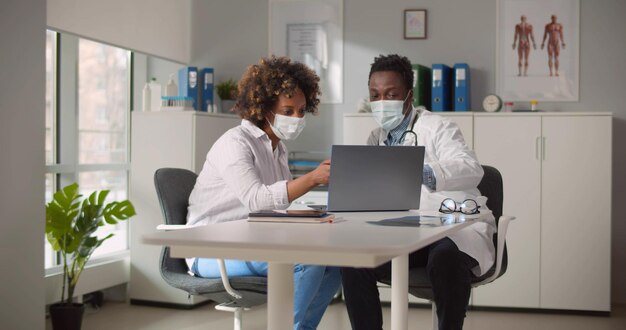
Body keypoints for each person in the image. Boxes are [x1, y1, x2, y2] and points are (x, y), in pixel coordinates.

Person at [341, 54, 496, 330]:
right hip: (401, 233)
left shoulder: (437, 127)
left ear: (409, 96)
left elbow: (470, 168)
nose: (382, 103)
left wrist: (420, 171)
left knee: (445, 257)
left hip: (449, 228)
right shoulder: (376, 139)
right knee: (354, 262)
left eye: (391, 94)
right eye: (375, 95)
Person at [186, 56, 341, 330]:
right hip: (212, 250)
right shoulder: (234, 143)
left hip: (253, 244)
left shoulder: (278, 149)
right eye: (288, 110)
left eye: (302, 111)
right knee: (307, 261)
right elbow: (258, 200)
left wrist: (318, 216)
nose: (297, 118)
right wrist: (313, 178)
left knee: (337, 264)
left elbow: (277, 208)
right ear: (265, 107)